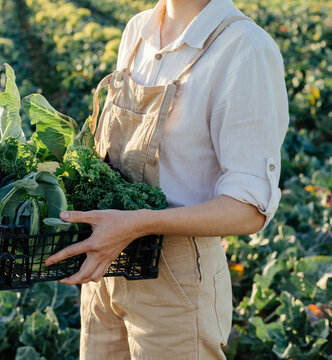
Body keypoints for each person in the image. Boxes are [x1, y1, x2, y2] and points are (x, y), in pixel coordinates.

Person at [44, 0, 289, 358]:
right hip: (104, 268)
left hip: (176, 281)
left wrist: (139, 223)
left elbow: (249, 208)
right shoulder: (138, 30)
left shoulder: (245, 48)